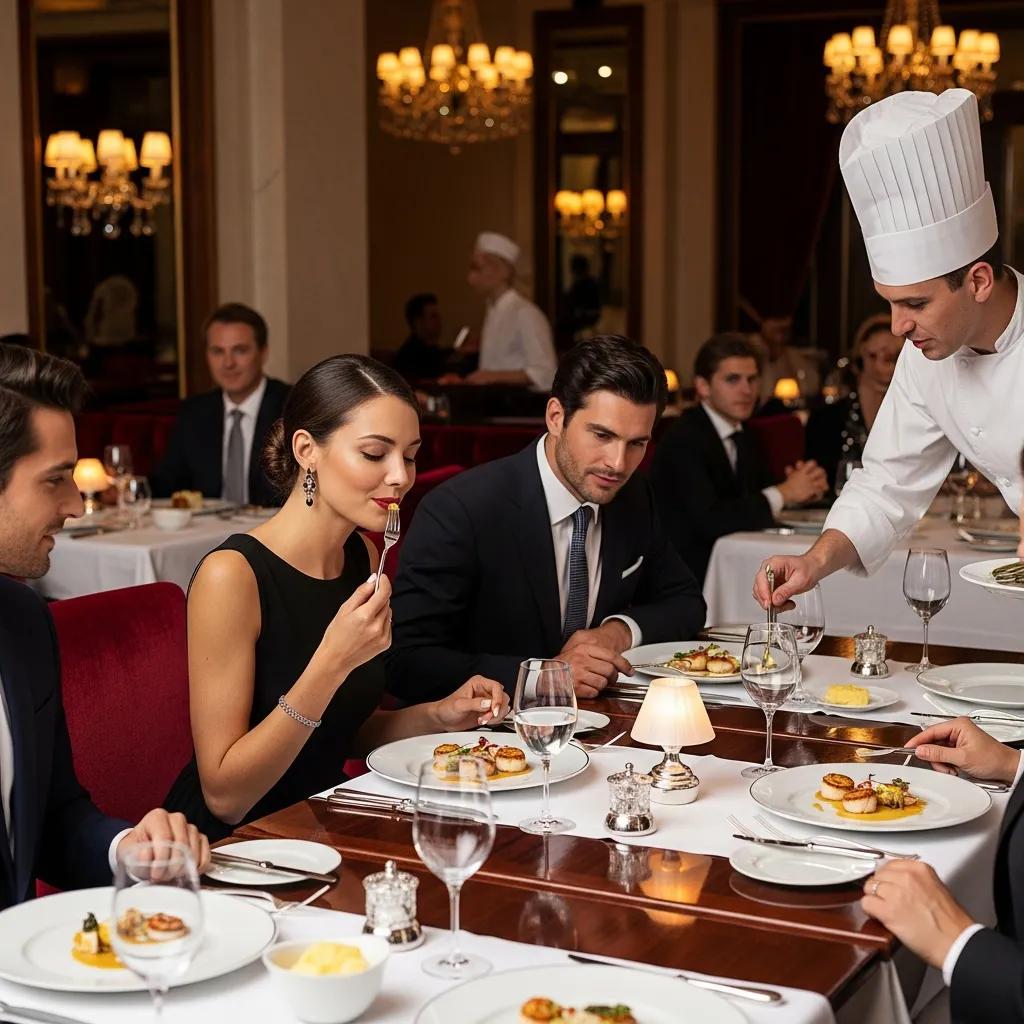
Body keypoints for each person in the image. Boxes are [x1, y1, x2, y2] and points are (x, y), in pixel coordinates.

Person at [162, 354, 509, 841]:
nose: (400, 477)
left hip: (321, 823)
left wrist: (437, 715)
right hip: (231, 846)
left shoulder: (361, 555)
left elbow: (341, 730)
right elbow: (225, 795)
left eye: (409, 455)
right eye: (374, 454)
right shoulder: (232, 576)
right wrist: (331, 662)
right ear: (307, 449)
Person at [754, 89, 1024, 613]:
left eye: (916, 303)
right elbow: (886, 485)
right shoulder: (928, 357)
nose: (899, 327)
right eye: (890, 304)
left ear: (979, 280)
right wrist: (815, 561)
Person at [0, 343, 209, 907]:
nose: (76, 504)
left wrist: (129, 850)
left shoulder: (22, 622)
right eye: (55, 479)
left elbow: (52, 818)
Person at [387, 335, 706, 702]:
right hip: (490, 737)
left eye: (637, 443)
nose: (618, 464)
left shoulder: (633, 496)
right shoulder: (463, 509)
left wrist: (616, 632)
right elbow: (406, 662)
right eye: (602, 435)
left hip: (608, 725)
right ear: (556, 417)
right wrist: (544, 677)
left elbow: (686, 602)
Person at [650, 333, 827, 582]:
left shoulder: (744, 434)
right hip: (683, 577)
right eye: (733, 379)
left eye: (752, 379)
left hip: (734, 566)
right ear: (703, 386)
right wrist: (784, 492)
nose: (747, 390)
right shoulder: (684, 438)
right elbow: (709, 520)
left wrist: (801, 490)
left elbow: (756, 499)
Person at [152, 303, 289, 507]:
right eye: (217, 351)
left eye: (240, 351)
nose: (228, 363)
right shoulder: (194, 412)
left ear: (263, 353)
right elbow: (166, 483)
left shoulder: (292, 406)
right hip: (207, 535)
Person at [804, 314, 905, 491]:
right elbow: (816, 483)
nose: (884, 367)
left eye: (893, 357)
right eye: (874, 356)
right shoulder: (825, 419)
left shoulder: (912, 415)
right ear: (859, 358)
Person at [460, 231, 557, 390]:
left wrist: (491, 376)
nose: (470, 278)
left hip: (517, 410)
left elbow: (545, 372)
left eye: (477, 269)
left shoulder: (525, 313)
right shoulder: (493, 311)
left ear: (502, 271)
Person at [393, 293, 451, 383]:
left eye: (438, 316)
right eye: (433, 317)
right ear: (418, 322)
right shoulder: (408, 355)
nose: (439, 321)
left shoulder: (435, 351)